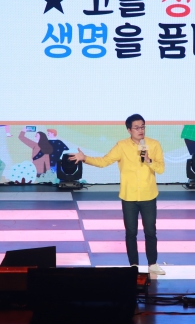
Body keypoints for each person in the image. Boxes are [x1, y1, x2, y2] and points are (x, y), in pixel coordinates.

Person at [68, 114, 166, 275]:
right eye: (136, 127)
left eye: (142, 127)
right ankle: (133, 265)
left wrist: (148, 160)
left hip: (148, 195)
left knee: (150, 232)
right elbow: (104, 161)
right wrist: (85, 158)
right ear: (129, 130)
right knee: (131, 233)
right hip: (129, 197)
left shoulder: (154, 144)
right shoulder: (122, 146)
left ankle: (152, 264)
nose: (140, 130)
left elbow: (161, 169)